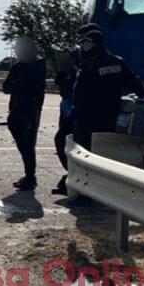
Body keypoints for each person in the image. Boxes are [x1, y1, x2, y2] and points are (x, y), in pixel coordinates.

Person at [72, 30, 144, 151]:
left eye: (84, 43)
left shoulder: (88, 65)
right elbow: (136, 84)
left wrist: (75, 114)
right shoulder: (118, 62)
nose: (83, 47)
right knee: (105, 150)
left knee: (85, 151)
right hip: (111, 115)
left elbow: (79, 94)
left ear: (91, 44)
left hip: (89, 118)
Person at [3, 37, 47, 191]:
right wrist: (17, 83)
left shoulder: (38, 65)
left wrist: (18, 83)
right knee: (22, 143)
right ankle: (29, 174)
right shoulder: (18, 67)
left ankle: (30, 177)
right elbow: (6, 87)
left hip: (30, 110)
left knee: (28, 144)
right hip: (16, 110)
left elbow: (28, 84)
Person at [51, 51, 77, 195]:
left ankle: (72, 174)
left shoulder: (75, 72)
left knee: (66, 136)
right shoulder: (63, 72)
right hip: (64, 101)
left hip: (71, 103)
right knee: (63, 130)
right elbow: (56, 83)